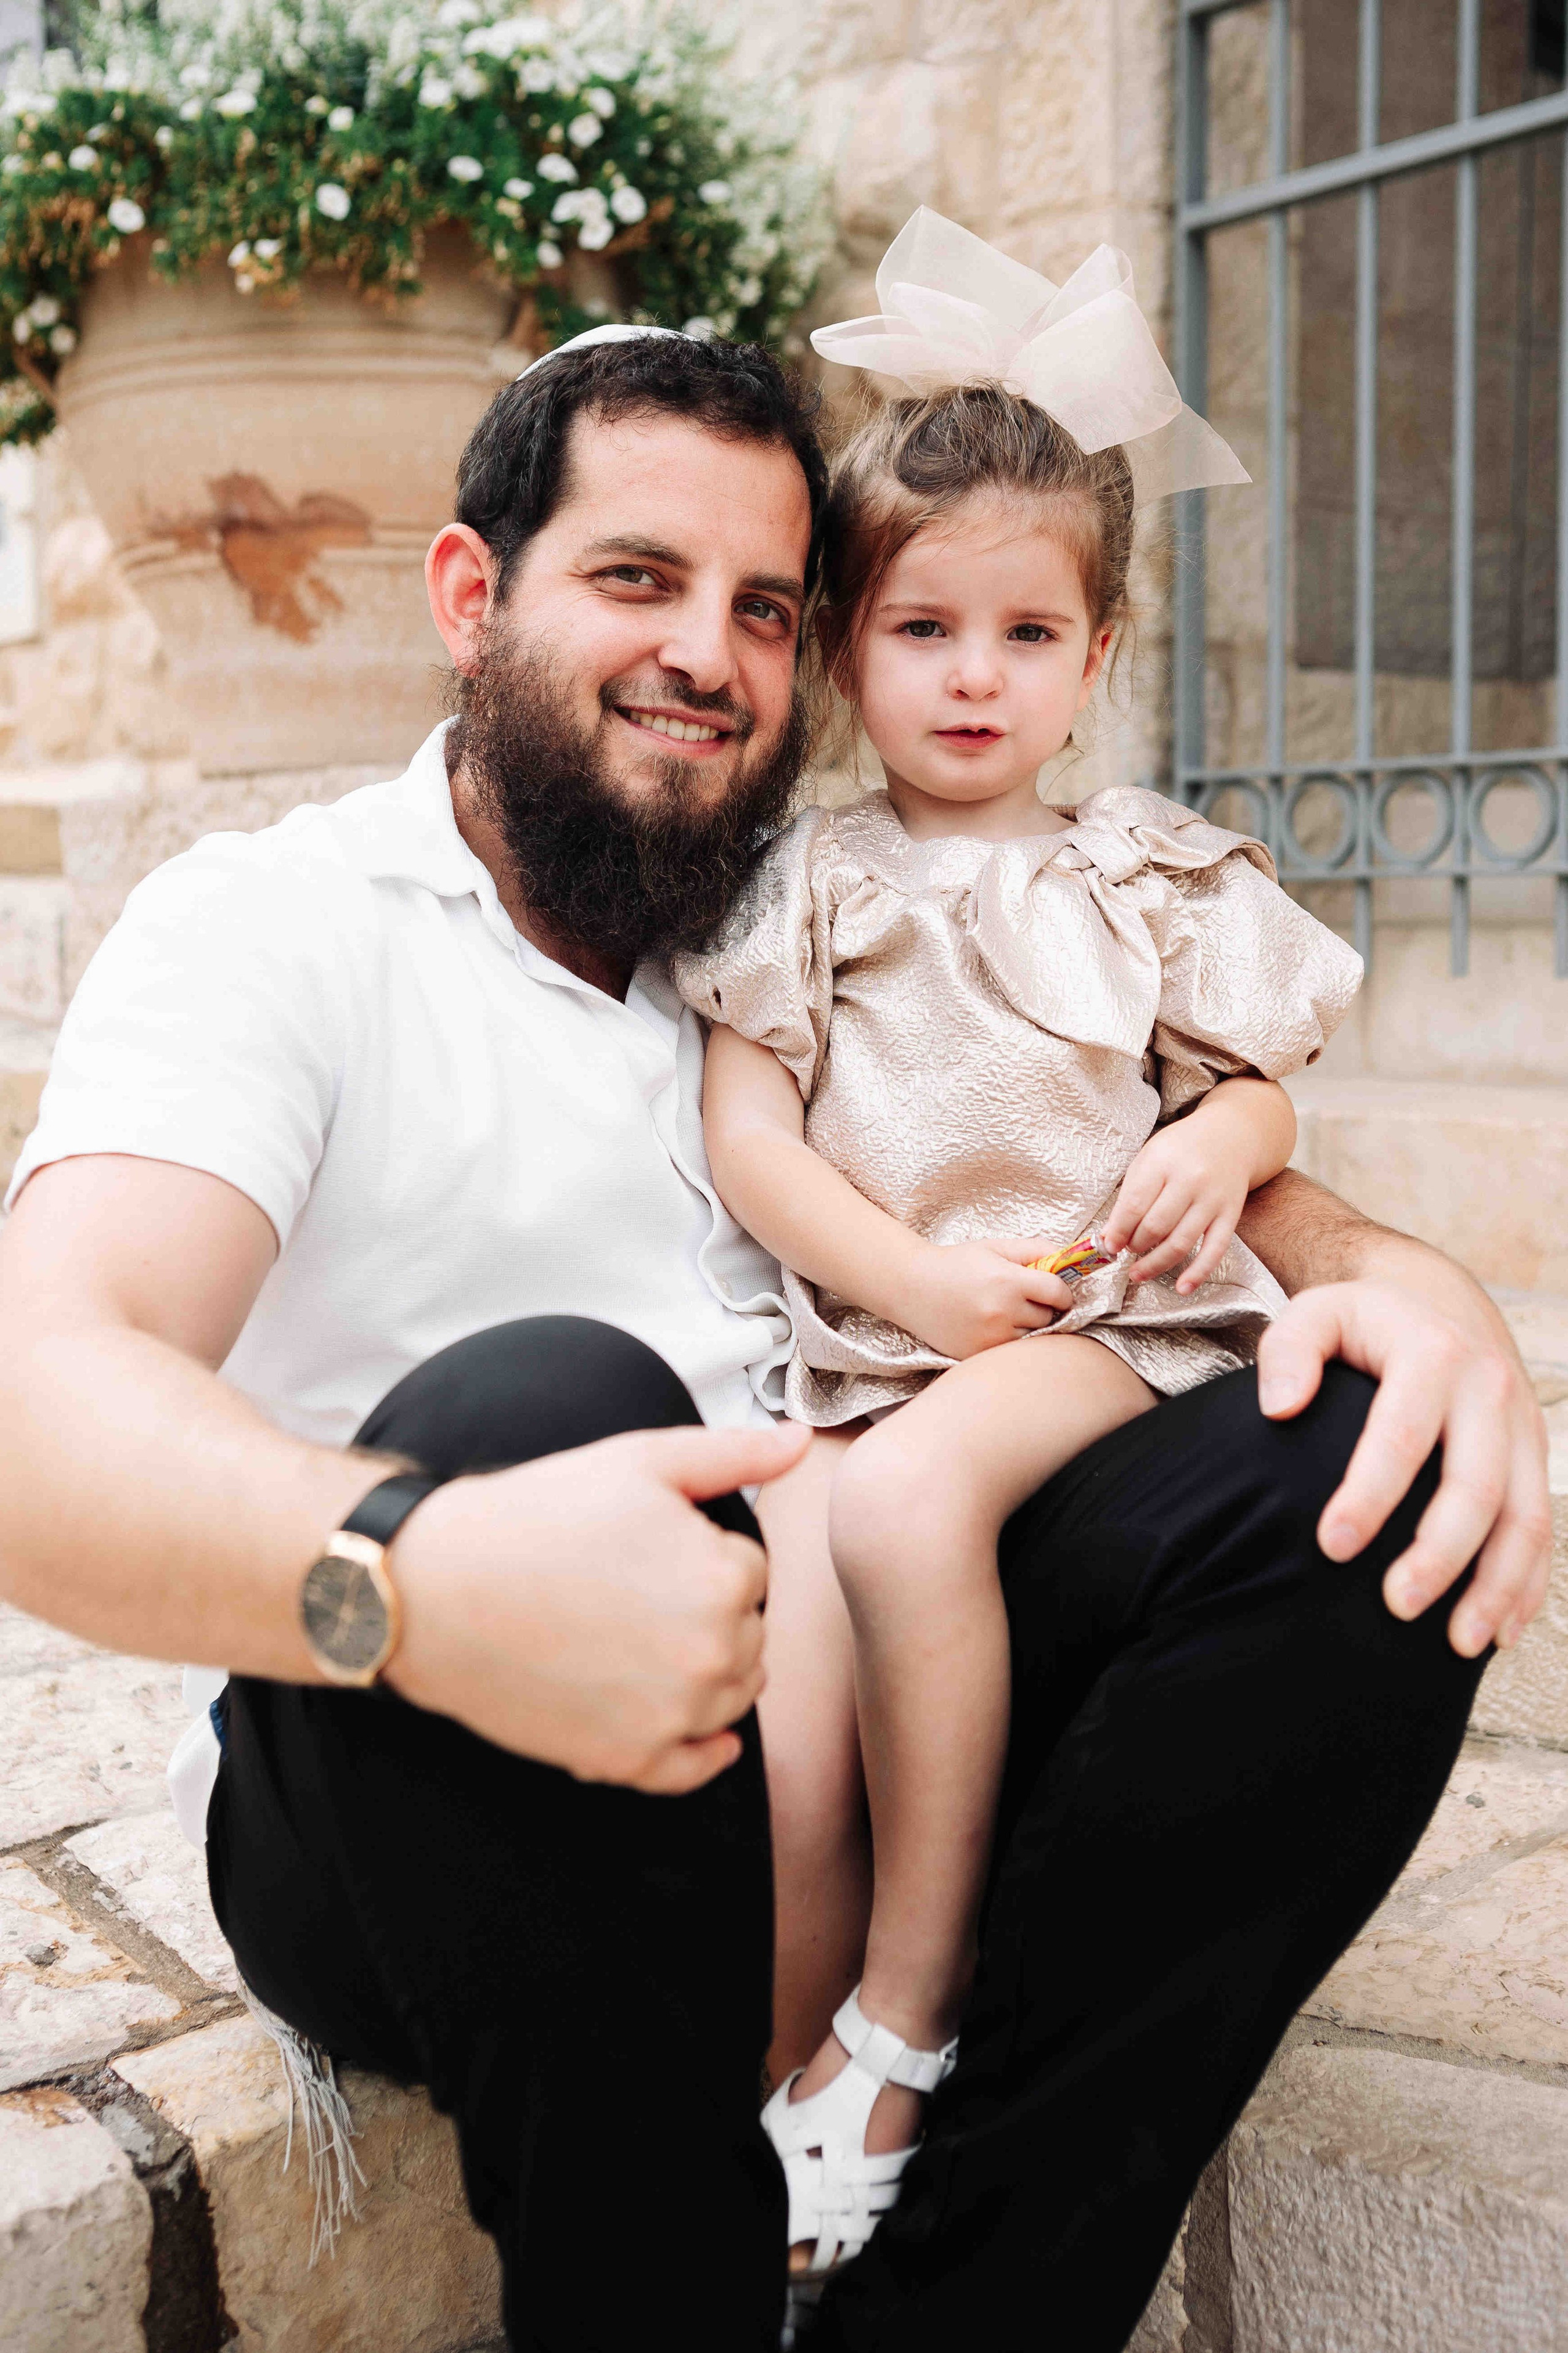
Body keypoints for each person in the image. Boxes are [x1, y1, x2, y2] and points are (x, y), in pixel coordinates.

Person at [0, 319, 1547, 2353]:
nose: (705, 655)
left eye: (759, 605)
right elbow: (37, 1404)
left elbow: (1146, 1157)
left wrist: (1418, 1289)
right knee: (544, 1402)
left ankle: (963, 2312)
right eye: (636, 577)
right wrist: (413, 1571)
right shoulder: (278, 927)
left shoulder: (789, 917)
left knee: (1350, 1460)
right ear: (472, 597)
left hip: (857, 1704)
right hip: (428, 1767)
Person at [672, 216, 1363, 2276]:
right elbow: (746, 1134)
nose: (974, 675)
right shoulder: (809, 884)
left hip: (1098, 1319)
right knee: (795, 1696)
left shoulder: (1146, 872)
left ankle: (915, 2008)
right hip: (889, 1339)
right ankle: (782, 2061)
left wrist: (1223, 1136)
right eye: (923, 627)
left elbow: (1260, 1094)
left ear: (1100, 652)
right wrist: (902, 1284)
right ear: (844, 648)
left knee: (904, 1517)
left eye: (1026, 631)